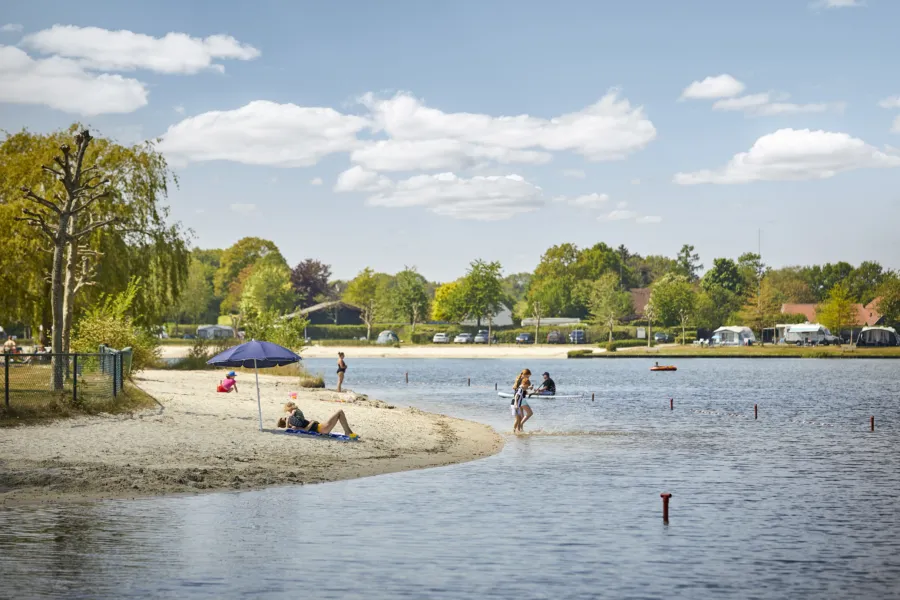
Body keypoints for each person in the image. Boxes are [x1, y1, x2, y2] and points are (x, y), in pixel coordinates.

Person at [280, 401, 356, 437]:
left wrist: (312, 422)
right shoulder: (294, 427)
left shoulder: (297, 421)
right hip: (321, 429)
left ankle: (349, 432)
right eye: (285, 419)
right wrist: (312, 422)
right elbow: (306, 430)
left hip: (320, 427)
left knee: (340, 412)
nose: (287, 417)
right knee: (340, 412)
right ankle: (348, 432)